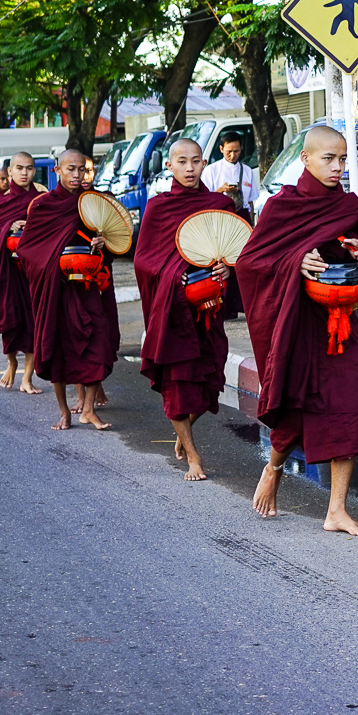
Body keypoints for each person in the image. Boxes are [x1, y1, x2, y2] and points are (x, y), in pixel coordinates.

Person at [235, 124, 358, 535]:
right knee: (296, 403)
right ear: (306, 159)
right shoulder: (282, 207)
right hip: (297, 324)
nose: (337, 167)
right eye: (328, 159)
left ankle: (336, 511)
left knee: (348, 406)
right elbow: (250, 263)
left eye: (343, 159)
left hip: (338, 325)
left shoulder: (350, 207)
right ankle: (275, 466)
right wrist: (294, 262)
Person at [132, 138, 233, 482]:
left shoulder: (219, 204)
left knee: (211, 379)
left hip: (210, 308)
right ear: (169, 166)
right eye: (182, 162)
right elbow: (145, 259)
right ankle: (193, 455)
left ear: (204, 164)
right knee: (177, 382)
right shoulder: (159, 208)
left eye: (195, 161)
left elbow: (240, 250)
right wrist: (176, 273)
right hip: (173, 309)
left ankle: (183, 432)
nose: (189, 168)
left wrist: (228, 268)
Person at [16, 150, 119, 430]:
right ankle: (64, 411)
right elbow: (27, 250)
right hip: (55, 288)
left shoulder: (93, 204)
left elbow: (112, 244)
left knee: (99, 341)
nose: (77, 175)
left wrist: (102, 244)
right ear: (57, 172)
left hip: (86, 286)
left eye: (82, 170)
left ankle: (88, 410)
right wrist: (54, 262)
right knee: (58, 348)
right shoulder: (43, 206)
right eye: (71, 169)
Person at [0, 152, 42, 393]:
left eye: (30, 168)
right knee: (11, 322)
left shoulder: (42, 201)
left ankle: (28, 378)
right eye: (20, 168)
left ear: (35, 172)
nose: (25, 173)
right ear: (10, 172)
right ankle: (12, 363)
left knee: (35, 323)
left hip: (34, 274)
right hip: (9, 274)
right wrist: (8, 226)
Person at [202, 131, 258, 217]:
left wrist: (252, 225)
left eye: (236, 151)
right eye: (229, 152)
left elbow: (250, 202)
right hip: (220, 217)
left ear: (241, 148)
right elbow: (204, 199)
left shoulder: (247, 171)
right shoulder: (211, 170)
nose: (232, 156)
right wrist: (221, 190)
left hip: (243, 217)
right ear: (221, 149)